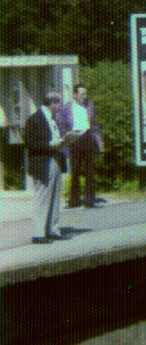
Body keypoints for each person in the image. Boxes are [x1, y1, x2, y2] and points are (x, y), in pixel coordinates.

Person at [23, 92, 69, 243]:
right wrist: (50, 144)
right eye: (59, 103)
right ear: (52, 103)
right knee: (42, 197)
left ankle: (52, 229)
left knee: (55, 196)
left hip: (54, 159)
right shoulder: (34, 119)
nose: (60, 107)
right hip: (42, 162)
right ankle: (38, 233)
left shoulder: (52, 119)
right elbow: (30, 144)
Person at [57, 83, 104, 208]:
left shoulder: (89, 106)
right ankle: (74, 200)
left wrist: (99, 143)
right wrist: (64, 140)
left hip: (88, 137)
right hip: (74, 138)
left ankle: (89, 199)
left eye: (85, 94)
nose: (84, 96)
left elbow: (95, 125)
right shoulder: (66, 108)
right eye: (82, 94)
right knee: (75, 171)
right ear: (75, 94)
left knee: (89, 170)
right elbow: (61, 125)